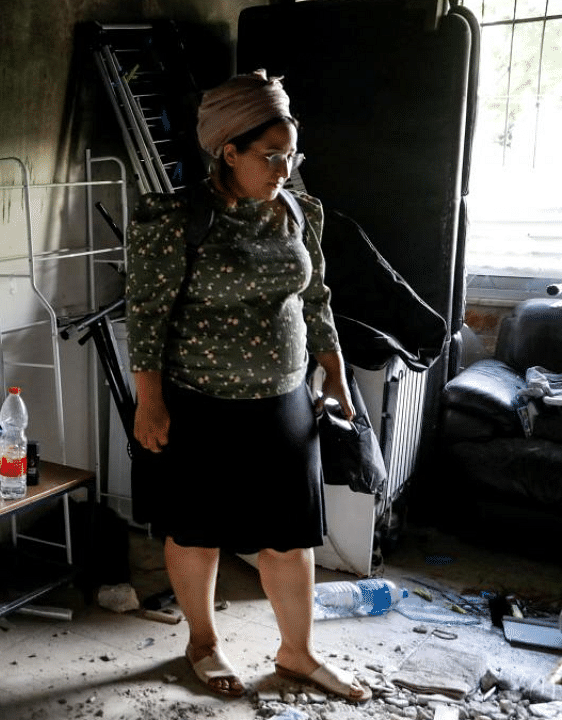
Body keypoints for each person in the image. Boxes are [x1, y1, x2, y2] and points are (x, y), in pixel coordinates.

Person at [124, 69, 371, 702]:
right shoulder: (176, 221)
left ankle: (297, 652)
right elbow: (147, 316)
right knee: (196, 529)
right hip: (200, 402)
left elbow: (315, 296)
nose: (285, 167)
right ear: (227, 152)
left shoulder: (298, 209)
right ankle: (202, 643)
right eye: (272, 155)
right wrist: (149, 402)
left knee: (289, 535)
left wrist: (335, 368)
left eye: (293, 153)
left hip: (285, 399)